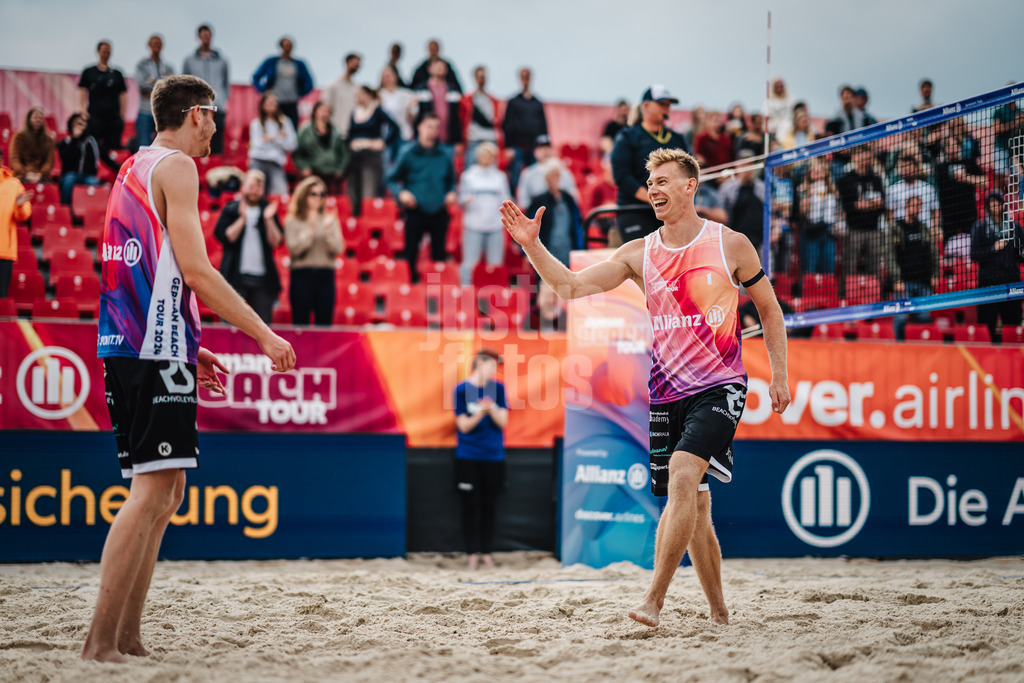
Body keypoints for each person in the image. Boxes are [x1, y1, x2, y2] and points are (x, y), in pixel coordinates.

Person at [499, 147, 789, 627]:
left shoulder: (731, 244)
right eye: (649, 182)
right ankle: (719, 613)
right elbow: (569, 287)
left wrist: (779, 374)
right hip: (667, 391)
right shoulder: (639, 252)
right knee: (694, 502)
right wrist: (532, 244)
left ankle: (654, 599)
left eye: (662, 180)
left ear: (690, 186)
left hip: (721, 385)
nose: (653, 188)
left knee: (682, 476)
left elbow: (770, 309)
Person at [82, 75, 295, 663]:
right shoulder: (177, 167)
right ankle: (100, 642)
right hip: (150, 348)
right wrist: (263, 333)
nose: (217, 129)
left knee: (167, 490)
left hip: (135, 343)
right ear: (195, 113)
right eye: (214, 116)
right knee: (151, 492)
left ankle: (127, 637)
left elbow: (144, 269)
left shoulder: (133, 166)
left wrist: (187, 343)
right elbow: (197, 271)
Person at [610, 85, 689, 242]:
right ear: (645, 106)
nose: (666, 109)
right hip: (636, 210)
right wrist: (654, 197)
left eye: (668, 105)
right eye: (661, 104)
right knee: (647, 252)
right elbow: (622, 176)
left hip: (671, 211)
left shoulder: (678, 139)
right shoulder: (628, 136)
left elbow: (687, 173)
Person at [454, 348, 509, 571]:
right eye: (492, 366)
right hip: (468, 456)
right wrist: (481, 412)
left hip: (494, 456)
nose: (494, 371)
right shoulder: (461, 389)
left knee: (490, 506)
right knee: (469, 507)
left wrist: (491, 408)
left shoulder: (498, 388)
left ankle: (486, 554)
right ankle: (471, 555)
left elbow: (503, 422)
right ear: (479, 364)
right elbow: (463, 426)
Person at [387, 113, 457, 283]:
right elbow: (391, 180)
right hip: (415, 210)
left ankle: (433, 288)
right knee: (410, 252)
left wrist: (452, 192)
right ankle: (410, 286)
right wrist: (401, 193)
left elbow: (452, 182)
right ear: (419, 127)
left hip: (439, 211)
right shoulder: (408, 153)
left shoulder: (445, 154)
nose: (432, 130)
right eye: (428, 126)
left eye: (436, 127)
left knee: (438, 255)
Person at [213, 170, 284, 323]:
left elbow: (276, 241)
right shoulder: (231, 209)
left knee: (262, 326)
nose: (254, 191)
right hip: (234, 278)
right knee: (231, 324)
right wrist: (242, 218)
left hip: (263, 280)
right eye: (251, 187)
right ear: (243, 187)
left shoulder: (268, 210)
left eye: (258, 188)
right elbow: (226, 237)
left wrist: (268, 220)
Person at [284, 176, 344, 326]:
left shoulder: (329, 220)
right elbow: (294, 249)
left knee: (324, 324)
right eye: (314, 194)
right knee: (300, 323)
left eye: (322, 194)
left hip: (325, 274)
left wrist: (328, 232)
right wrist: (310, 232)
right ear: (304, 196)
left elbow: (338, 248)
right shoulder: (293, 221)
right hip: (301, 275)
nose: (318, 198)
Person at [971, 191, 1024, 340]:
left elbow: (1020, 256)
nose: (995, 205)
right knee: (986, 325)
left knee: (1012, 325)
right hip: (988, 285)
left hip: (1011, 283)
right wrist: (992, 248)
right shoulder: (980, 228)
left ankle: (1013, 352)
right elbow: (974, 254)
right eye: (991, 202)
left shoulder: (1014, 228)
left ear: (1003, 205)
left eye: (997, 202)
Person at [888, 195, 940, 339]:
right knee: (900, 318)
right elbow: (890, 256)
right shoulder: (896, 228)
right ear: (906, 207)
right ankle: (899, 346)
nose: (916, 208)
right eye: (913, 205)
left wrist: (935, 274)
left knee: (923, 318)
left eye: (919, 206)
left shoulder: (923, 228)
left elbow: (933, 252)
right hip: (903, 283)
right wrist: (896, 279)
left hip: (923, 282)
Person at [459, 142, 510, 285]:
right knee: (470, 264)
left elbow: (506, 199)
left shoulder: (500, 177)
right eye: (484, 155)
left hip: (495, 226)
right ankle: (466, 291)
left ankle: (494, 293)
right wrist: (466, 200)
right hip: (473, 225)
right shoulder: (468, 176)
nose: (486, 158)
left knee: (495, 265)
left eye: (490, 155)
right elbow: (461, 199)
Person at [347, 86, 398, 215]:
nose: (358, 98)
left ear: (368, 95)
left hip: (371, 157)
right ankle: (355, 221)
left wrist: (384, 142)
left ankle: (368, 220)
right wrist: (350, 142)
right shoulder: (354, 112)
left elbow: (395, 127)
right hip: (354, 156)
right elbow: (350, 133)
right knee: (353, 191)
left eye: (361, 94)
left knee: (368, 192)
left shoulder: (377, 111)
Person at [837, 145, 885, 279]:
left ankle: (876, 290)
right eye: (860, 153)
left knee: (875, 268)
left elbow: (881, 205)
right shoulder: (845, 180)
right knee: (849, 268)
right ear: (853, 157)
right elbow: (846, 206)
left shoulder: (876, 179)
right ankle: (846, 291)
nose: (864, 156)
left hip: (873, 230)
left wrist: (866, 205)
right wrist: (861, 205)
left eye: (866, 153)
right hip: (853, 230)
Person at [181, 24, 230, 156]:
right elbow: (185, 82)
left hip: (216, 106)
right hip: (197, 106)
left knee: (216, 141)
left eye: (208, 36)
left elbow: (225, 83)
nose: (206, 38)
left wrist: (223, 100)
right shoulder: (189, 60)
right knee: (196, 139)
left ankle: (216, 164)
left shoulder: (222, 61)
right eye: (203, 36)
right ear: (198, 37)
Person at [79, 40, 127, 172]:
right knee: (94, 144)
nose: (106, 53)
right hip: (95, 116)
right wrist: (83, 109)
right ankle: (97, 170)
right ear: (98, 51)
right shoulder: (89, 72)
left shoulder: (117, 74)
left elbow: (122, 94)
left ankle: (113, 170)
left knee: (112, 146)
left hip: (113, 117)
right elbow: (82, 90)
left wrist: (122, 112)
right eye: (104, 50)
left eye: (108, 51)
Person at [526, 161, 584, 267]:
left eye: (558, 175)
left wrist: (580, 248)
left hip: (568, 249)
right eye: (552, 175)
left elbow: (577, 225)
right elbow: (531, 227)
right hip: (547, 251)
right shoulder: (538, 201)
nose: (556, 179)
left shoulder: (569, 200)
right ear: (546, 179)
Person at [252, 37, 314, 131]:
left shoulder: (299, 64)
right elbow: (256, 77)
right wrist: (263, 91)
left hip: (291, 103)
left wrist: (299, 93)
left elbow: (309, 82)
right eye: (285, 45)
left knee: (292, 129)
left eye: (289, 45)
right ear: (281, 46)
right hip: (275, 103)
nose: (287, 48)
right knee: (273, 128)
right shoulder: (272, 62)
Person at [502, 67, 548, 191]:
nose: (525, 80)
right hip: (517, 147)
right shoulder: (513, 102)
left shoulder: (537, 103)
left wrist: (545, 147)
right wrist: (508, 147)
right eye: (523, 77)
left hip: (534, 148)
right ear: (520, 79)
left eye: (527, 77)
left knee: (536, 178)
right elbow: (506, 125)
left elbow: (543, 126)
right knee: (515, 177)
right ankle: (513, 199)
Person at [293, 101, 349, 195]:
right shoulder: (306, 131)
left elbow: (343, 152)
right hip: (313, 173)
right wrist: (303, 167)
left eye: (328, 111)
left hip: (332, 174)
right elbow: (297, 152)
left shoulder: (336, 131)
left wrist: (340, 168)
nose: (325, 113)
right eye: (322, 110)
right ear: (315, 111)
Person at [797, 157, 841, 275]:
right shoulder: (803, 189)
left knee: (828, 266)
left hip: (829, 232)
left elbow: (838, 211)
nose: (818, 174)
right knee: (811, 266)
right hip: (812, 232)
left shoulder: (833, 190)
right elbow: (802, 211)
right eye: (814, 171)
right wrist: (807, 194)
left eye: (820, 171)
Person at [248, 93, 297, 196]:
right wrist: (279, 137)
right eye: (269, 103)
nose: (272, 106)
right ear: (262, 105)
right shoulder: (256, 123)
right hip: (258, 161)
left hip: (276, 163)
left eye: (274, 103)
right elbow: (257, 145)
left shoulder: (285, 122)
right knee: (253, 191)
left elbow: (292, 145)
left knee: (281, 194)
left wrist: (271, 138)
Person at [718, 151, 766, 252]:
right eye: (744, 165)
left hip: (760, 242)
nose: (748, 169)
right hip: (734, 243)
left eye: (750, 164)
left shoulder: (762, 188)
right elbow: (722, 216)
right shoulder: (727, 188)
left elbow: (771, 212)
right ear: (737, 167)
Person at [0, 150, 33, 297]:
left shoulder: (14, 184)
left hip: (4, 252)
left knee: (1, 298)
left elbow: (24, 215)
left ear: (1, 161)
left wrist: (19, 206)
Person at [516, 135, 578, 209]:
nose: (545, 151)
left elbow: (574, 198)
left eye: (548, 147)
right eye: (541, 148)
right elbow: (524, 202)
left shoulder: (564, 171)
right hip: (537, 212)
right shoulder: (528, 174)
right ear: (535, 152)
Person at [134, 34, 173, 149]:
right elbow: (141, 85)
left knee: (163, 146)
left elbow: (171, 87)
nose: (157, 46)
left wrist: (151, 81)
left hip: (162, 113)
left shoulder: (168, 67)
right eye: (154, 43)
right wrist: (162, 82)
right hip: (145, 111)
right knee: (144, 146)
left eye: (159, 44)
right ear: (149, 45)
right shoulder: (142, 65)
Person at [415, 59, 463, 150]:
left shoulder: (453, 90)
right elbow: (417, 114)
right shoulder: (421, 89)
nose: (440, 69)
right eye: (437, 66)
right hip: (427, 140)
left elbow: (457, 116)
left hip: (449, 140)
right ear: (429, 69)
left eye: (443, 67)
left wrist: (458, 140)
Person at [460, 65, 502, 168]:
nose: (481, 80)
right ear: (474, 79)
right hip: (474, 140)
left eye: (483, 77)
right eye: (478, 77)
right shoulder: (467, 100)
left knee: (493, 171)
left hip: (490, 140)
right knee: (470, 170)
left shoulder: (493, 101)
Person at [57, 112, 102, 204]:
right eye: (77, 123)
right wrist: (74, 139)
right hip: (70, 174)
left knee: (94, 182)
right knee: (69, 180)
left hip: (88, 175)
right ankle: (65, 208)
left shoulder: (92, 142)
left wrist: (117, 166)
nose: (80, 126)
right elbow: (65, 159)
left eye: (83, 123)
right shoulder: (66, 142)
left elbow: (104, 156)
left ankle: (94, 210)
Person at [8, 107, 55, 184]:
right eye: (35, 117)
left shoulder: (49, 140)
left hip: (41, 177)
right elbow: (15, 160)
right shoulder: (18, 137)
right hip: (21, 175)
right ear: (29, 119)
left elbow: (49, 162)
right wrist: (26, 174)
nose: (38, 119)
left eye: (40, 118)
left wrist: (40, 174)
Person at [321, 53, 361, 138]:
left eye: (358, 65)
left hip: (351, 133)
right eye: (355, 64)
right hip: (335, 133)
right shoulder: (333, 85)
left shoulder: (356, 87)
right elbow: (324, 107)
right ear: (347, 62)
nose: (357, 67)